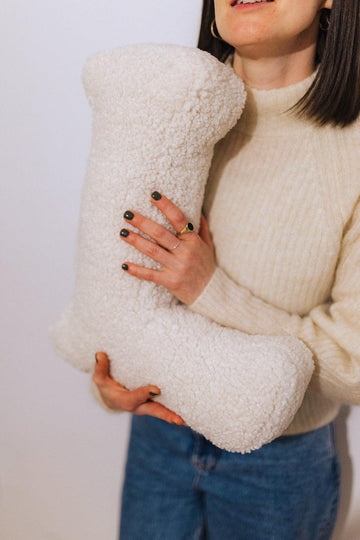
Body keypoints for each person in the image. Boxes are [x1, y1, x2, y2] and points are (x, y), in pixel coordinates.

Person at [92, 0, 360, 538]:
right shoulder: (166, 114)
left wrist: (210, 288)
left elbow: (355, 364)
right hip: (161, 431)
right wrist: (111, 372)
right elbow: (115, 279)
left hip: (278, 464)